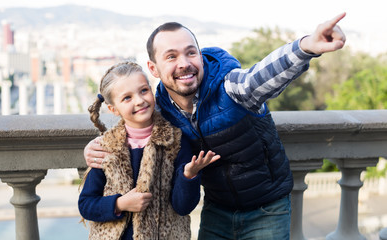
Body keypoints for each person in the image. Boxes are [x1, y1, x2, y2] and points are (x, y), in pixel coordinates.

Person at [84, 13, 346, 240]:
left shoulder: (230, 88)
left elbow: (262, 76)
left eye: (190, 52)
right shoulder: (160, 108)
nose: (184, 63)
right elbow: (130, 126)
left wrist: (307, 47)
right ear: (154, 68)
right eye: (171, 56)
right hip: (217, 208)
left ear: (200, 54)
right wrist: (93, 148)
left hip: (267, 208)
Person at [78, 61, 220, 240]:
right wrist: (120, 204)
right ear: (114, 109)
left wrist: (188, 176)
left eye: (144, 90)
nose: (139, 100)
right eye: (127, 98)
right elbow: (86, 205)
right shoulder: (106, 148)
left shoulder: (175, 141)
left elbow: (183, 207)